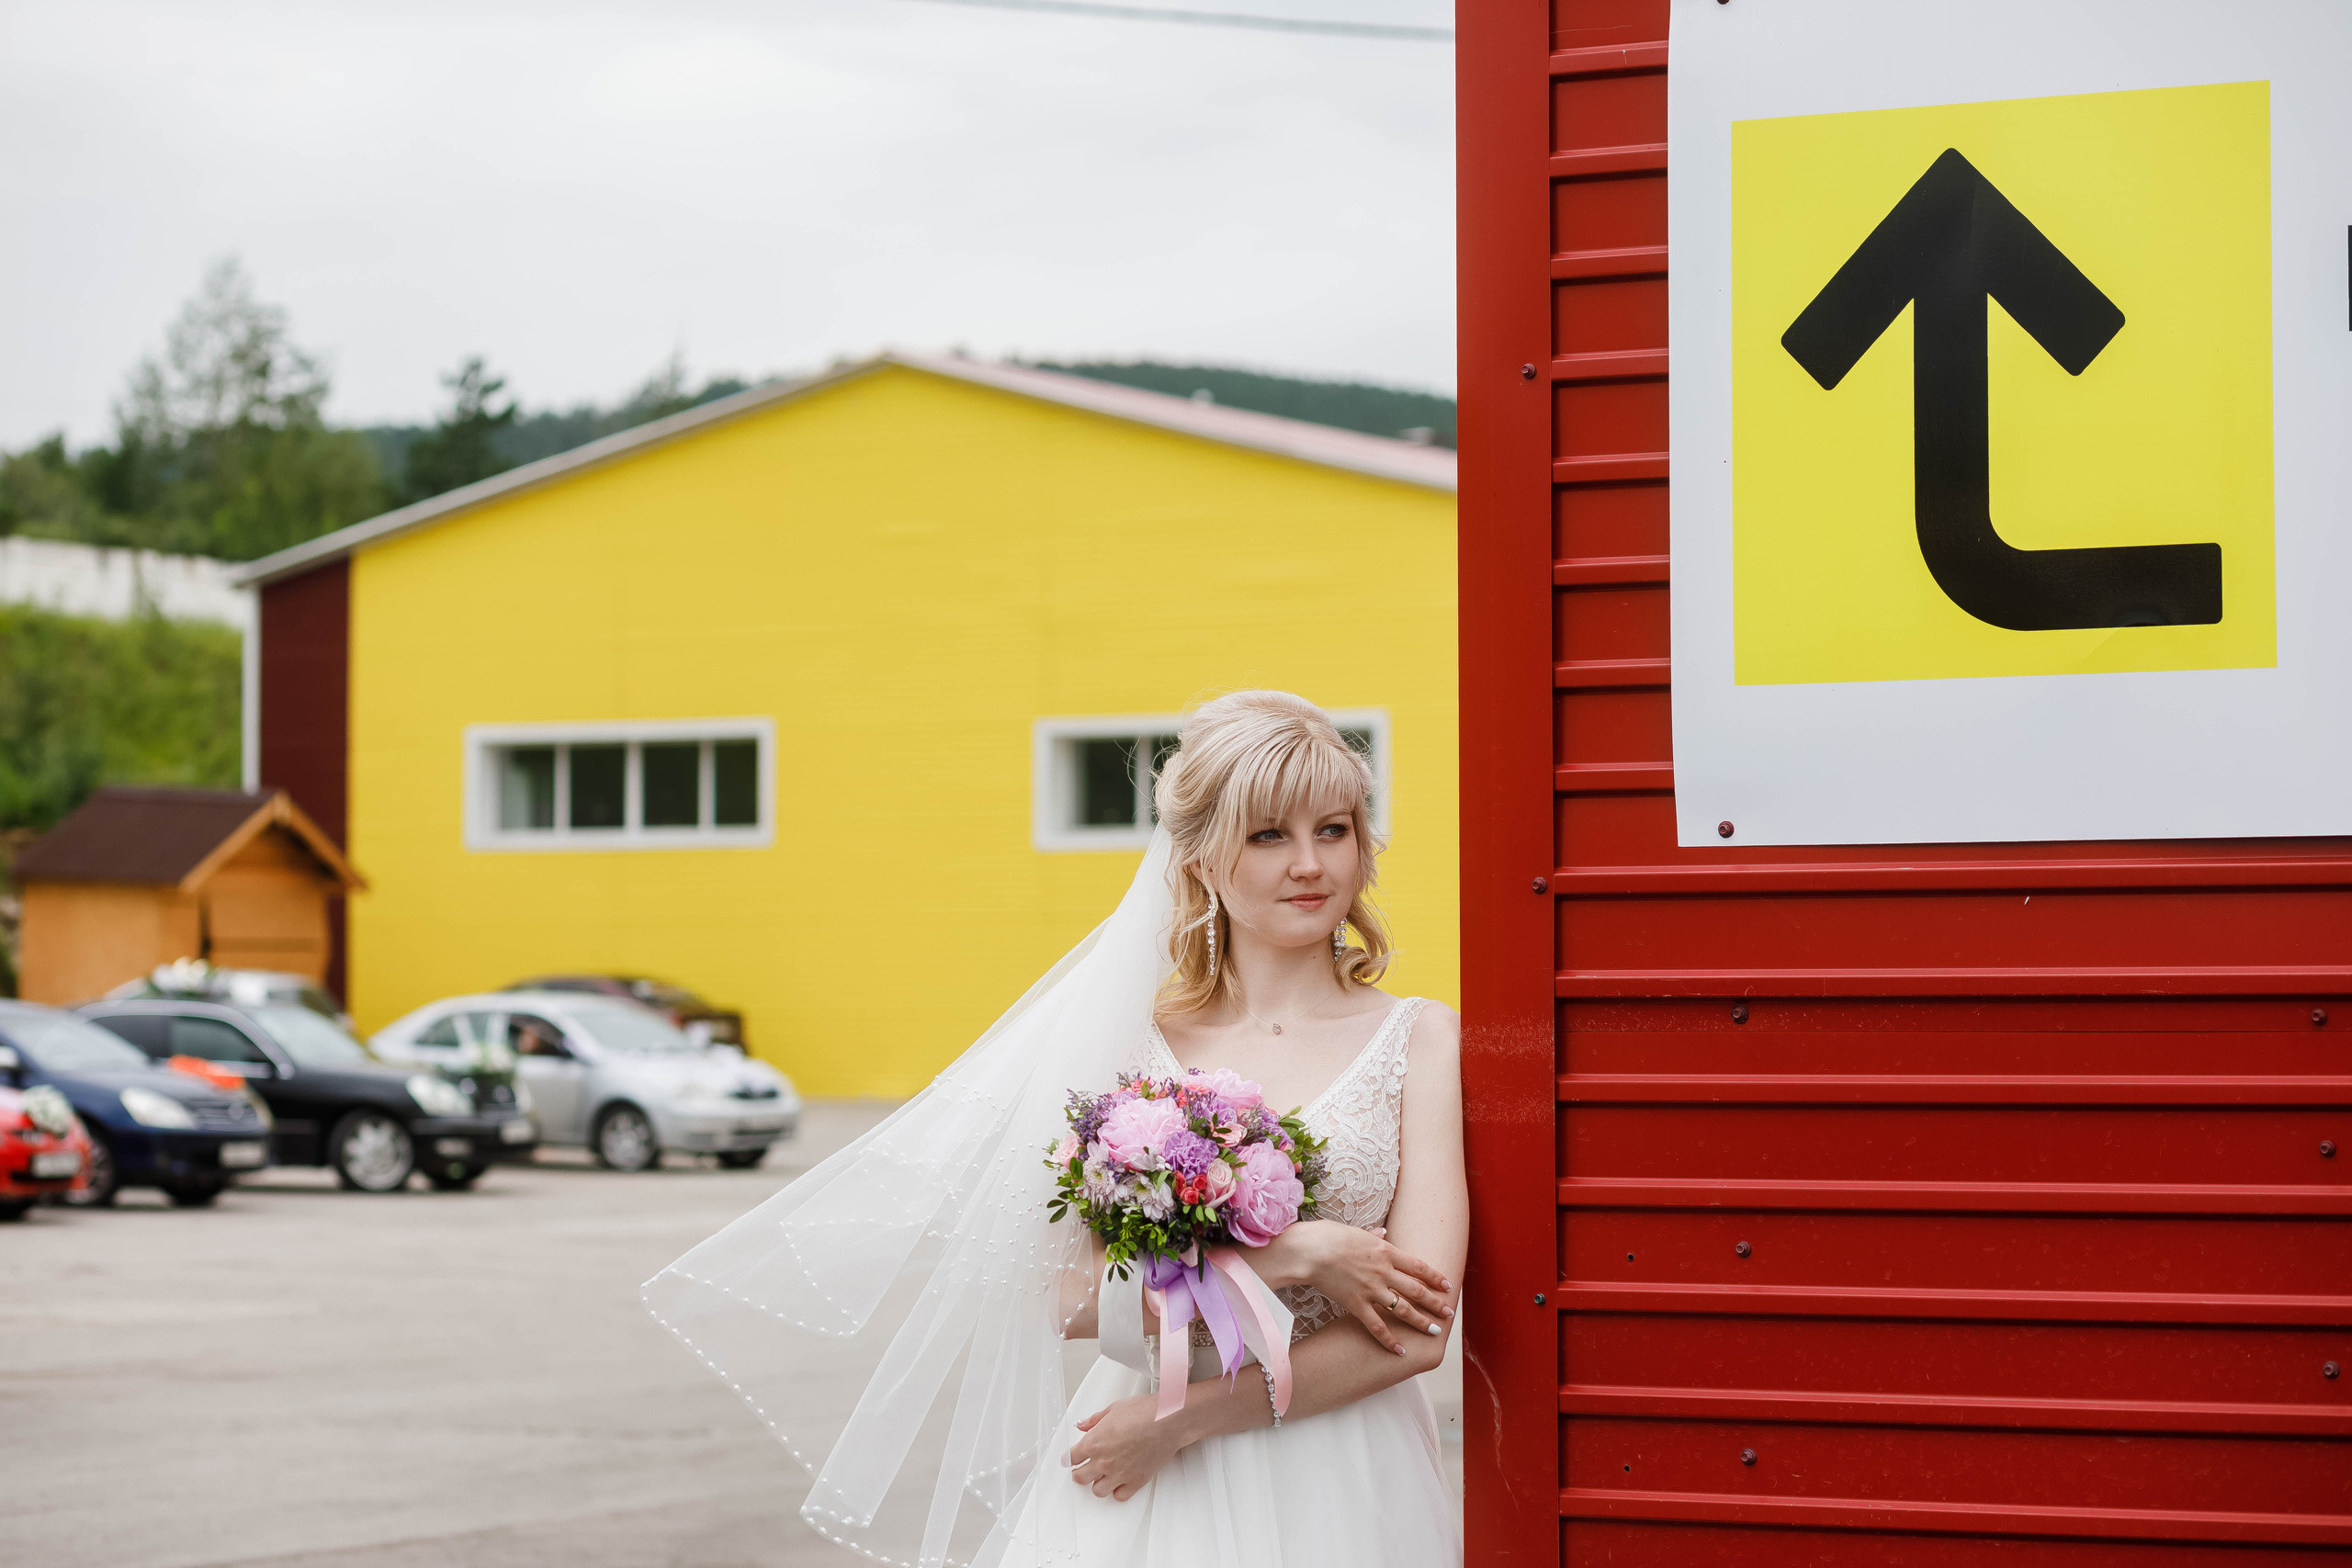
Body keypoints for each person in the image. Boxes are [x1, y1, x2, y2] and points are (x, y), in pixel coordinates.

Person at [644, 691, 1465, 1566]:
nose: (1311, 863)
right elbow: (1066, 1299)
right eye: (1270, 835)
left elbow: (1419, 1330)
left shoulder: (1418, 1037)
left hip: (1330, 1464)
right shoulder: (1133, 1048)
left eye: (1333, 829)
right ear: (1198, 860)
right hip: (1141, 1481)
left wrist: (1178, 1419)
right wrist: (1292, 1256)